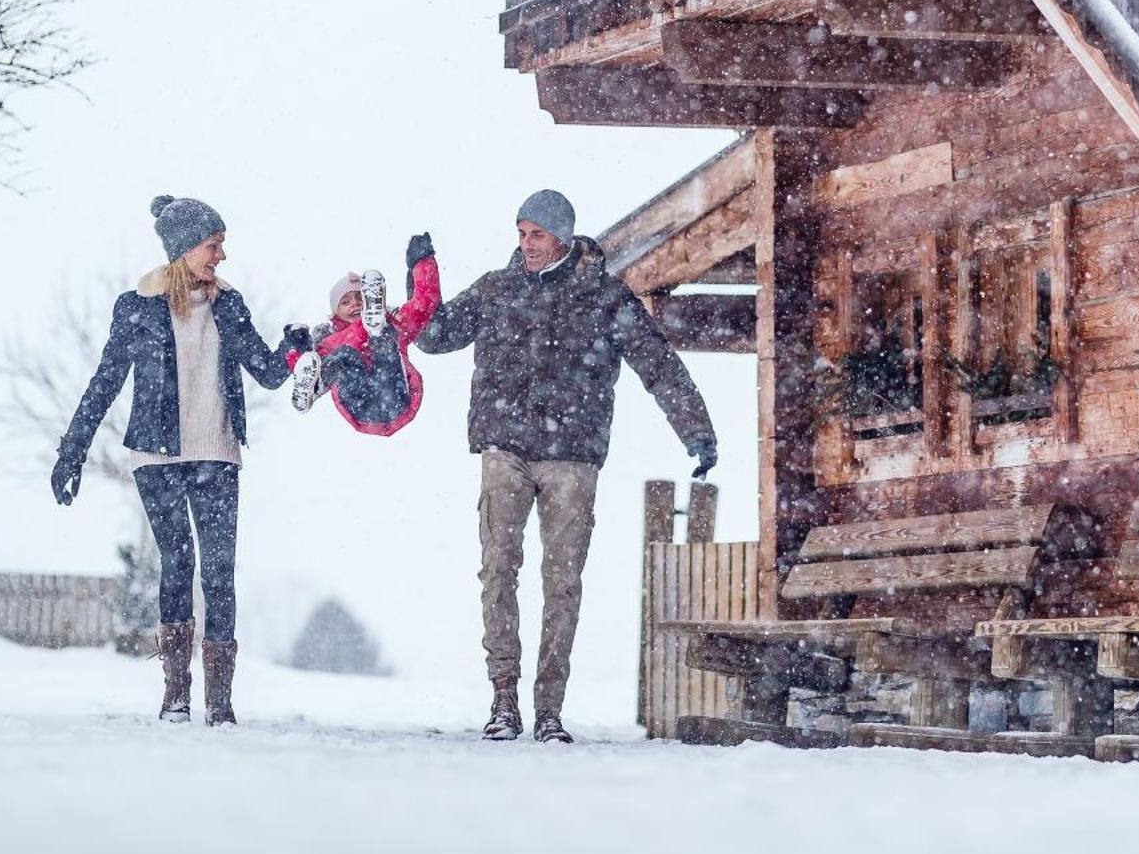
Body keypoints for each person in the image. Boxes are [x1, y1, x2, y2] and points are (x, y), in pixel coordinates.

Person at [417, 189, 717, 743]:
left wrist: (697, 432)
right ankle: (503, 700)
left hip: (572, 458)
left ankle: (549, 708)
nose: (527, 245)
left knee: (562, 583)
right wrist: (421, 277)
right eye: (521, 234)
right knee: (497, 572)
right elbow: (434, 337)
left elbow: (659, 367)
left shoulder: (603, 297)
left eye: (537, 234)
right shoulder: (496, 289)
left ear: (562, 237)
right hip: (504, 448)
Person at [51, 195, 306, 726]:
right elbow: (105, 383)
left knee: (218, 572)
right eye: (214, 246)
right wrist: (71, 451)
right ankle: (176, 694)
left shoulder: (230, 305)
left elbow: (267, 371)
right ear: (185, 248)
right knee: (178, 563)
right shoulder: (137, 307)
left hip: (217, 453)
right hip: (157, 457)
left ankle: (219, 700)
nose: (221, 256)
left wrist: (293, 347)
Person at [288, 232, 440, 436]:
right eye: (345, 301)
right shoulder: (327, 341)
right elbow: (301, 364)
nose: (355, 304)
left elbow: (424, 302)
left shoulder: (393, 322)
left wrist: (421, 261)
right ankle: (310, 391)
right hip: (360, 405)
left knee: (384, 336)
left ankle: (375, 328)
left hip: (394, 396)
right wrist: (298, 349)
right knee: (343, 358)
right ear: (335, 313)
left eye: (360, 298)